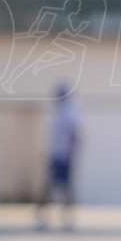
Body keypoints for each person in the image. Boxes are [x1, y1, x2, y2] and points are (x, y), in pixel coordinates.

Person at [35, 81, 81, 230]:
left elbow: (75, 134)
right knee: (48, 185)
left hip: (64, 155)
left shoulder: (70, 111)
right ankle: (41, 215)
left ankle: (68, 218)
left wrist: (72, 155)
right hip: (55, 154)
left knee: (65, 187)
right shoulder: (56, 111)